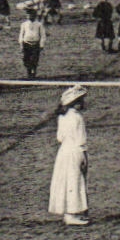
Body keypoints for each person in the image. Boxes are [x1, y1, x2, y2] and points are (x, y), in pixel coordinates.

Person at [48, 85, 91, 227]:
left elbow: (60, 137)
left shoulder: (62, 116)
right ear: (76, 102)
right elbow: (81, 140)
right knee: (75, 181)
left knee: (66, 181)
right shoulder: (77, 117)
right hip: (75, 152)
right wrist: (85, 158)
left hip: (63, 152)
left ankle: (69, 213)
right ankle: (72, 214)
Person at [18, 6, 47, 78]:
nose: (29, 16)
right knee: (26, 58)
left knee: (34, 58)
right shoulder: (24, 24)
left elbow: (43, 35)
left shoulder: (39, 24)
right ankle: (29, 72)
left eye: (31, 15)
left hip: (35, 44)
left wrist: (41, 45)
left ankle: (33, 72)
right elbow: (21, 34)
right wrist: (21, 44)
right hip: (26, 43)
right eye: (28, 15)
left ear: (35, 15)